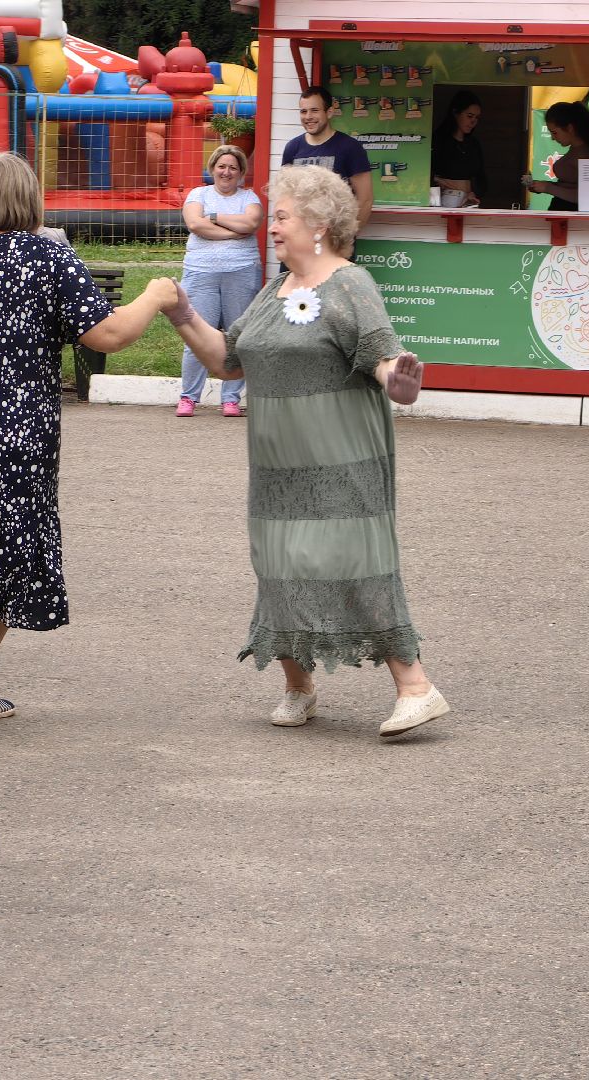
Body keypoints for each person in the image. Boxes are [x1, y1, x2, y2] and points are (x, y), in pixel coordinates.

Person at [0, 153, 181, 736]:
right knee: (9, 553)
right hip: (22, 435)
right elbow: (108, 334)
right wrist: (154, 296)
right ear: (30, 200)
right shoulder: (51, 259)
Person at [159, 164, 449, 739]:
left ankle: (417, 688)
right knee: (280, 566)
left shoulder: (350, 285)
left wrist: (398, 381)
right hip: (277, 466)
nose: (271, 227)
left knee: (356, 562)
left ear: (318, 225)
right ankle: (299, 686)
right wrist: (182, 313)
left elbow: (381, 356)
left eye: (283, 217)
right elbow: (228, 360)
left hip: (340, 459)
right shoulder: (276, 290)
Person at [177, 144, 261, 418]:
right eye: (221, 166)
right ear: (212, 168)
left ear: (241, 172)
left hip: (241, 272)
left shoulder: (249, 197)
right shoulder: (197, 194)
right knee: (197, 336)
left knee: (237, 338)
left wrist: (213, 217)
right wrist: (232, 233)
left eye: (233, 168)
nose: (226, 172)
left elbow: (250, 224)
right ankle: (188, 397)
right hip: (200, 273)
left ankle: (231, 399)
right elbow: (194, 224)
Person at [281, 87, 373, 232]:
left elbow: (365, 200)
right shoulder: (292, 148)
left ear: (329, 112)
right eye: (303, 111)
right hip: (300, 236)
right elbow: (285, 196)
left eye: (314, 110)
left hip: (335, 237)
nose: (308, 116)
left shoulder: (350, 147)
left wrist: (347, 236)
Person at [524, 101, 589, 211]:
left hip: (572, 215)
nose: (552, 138)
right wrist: (542, 185)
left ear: (570, 128)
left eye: (554, 133)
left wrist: (547, 187)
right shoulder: (577, 150)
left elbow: (587, 196)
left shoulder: (586, 155)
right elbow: (569, 186)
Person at [431, 90, 486, 208]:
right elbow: (426, 172)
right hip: (443, 204)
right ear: (456, 113)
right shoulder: (438, 141)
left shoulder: (474, 144)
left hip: (468, 204)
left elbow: (482, 177)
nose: (473, 121)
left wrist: (474, 193)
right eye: (469, 116)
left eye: (477, 118)